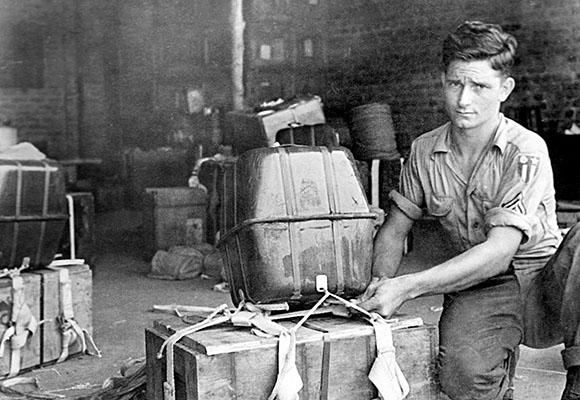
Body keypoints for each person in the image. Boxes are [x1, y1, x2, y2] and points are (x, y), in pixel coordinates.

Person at [357, 21, 580, 400]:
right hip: (482, 283)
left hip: (546, 280)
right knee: (462, 377)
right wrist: (381, 283)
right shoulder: (425, 151)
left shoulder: (525, 150)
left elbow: (499, 252)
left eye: (479, 86)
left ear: (504, 90)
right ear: (442, 80)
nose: (464, 99)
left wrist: (407, 286)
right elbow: (395, 229)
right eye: (455, 83)